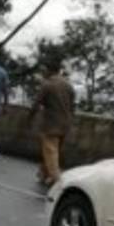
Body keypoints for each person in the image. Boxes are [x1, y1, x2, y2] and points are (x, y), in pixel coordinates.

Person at [29, 59, 76, 187]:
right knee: (53, 152)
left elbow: (36, 104)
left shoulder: (47, 85)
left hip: (51, 124)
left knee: (51, 152)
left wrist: (30, 117)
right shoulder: (68, 85)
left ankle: (58, 181)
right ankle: (44, 174)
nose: (43, 72)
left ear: (50, 70)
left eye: (44, 69)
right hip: (65, 124)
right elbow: (72, 106)